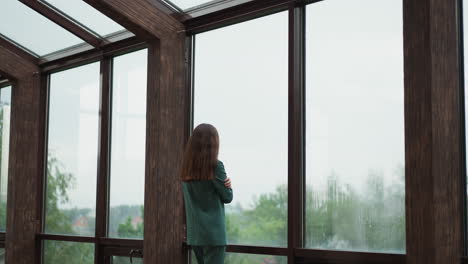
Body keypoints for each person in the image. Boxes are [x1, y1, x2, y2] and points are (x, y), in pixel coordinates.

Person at [181, 123, 233, 264]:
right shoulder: (215, 166)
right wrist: (229, 185)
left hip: (195, 235)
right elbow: (228, 197)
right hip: (213, 236)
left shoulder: (186, 167)